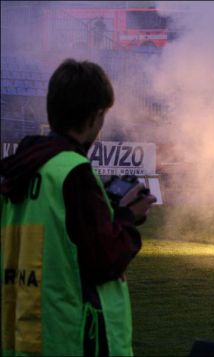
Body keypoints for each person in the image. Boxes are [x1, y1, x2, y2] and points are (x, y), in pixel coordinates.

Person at [0, 59, 157, 356]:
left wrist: (109, 211)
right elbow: (104, 260)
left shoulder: (21, 168)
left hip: (25, 329)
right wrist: (127, 217)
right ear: (95, 117)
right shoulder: (73, 171)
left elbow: (61, 237)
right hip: (71, 335)